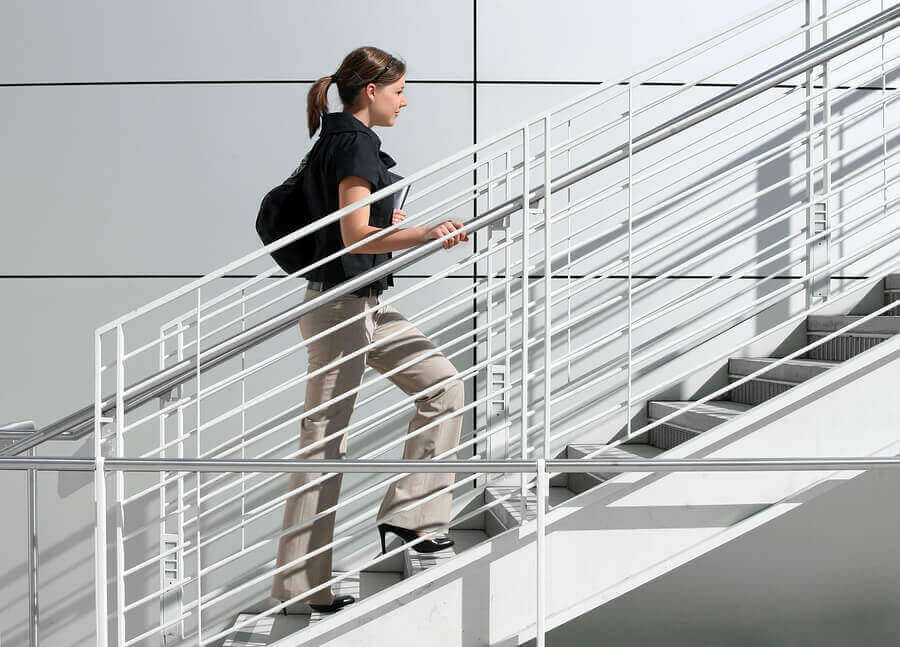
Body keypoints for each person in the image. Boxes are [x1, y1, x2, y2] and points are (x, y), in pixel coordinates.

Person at [270, 46, 470, 614]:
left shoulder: (337, 140)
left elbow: (350, 228)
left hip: (365, 305)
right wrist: (429, 232)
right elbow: (357, 235)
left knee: (443, 385)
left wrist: (393, 225)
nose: (405, 101)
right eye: (400, 90)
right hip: (340, 310)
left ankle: (412, 516)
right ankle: (300, 591)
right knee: (322, 447)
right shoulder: (354, 142)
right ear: (371, 92)